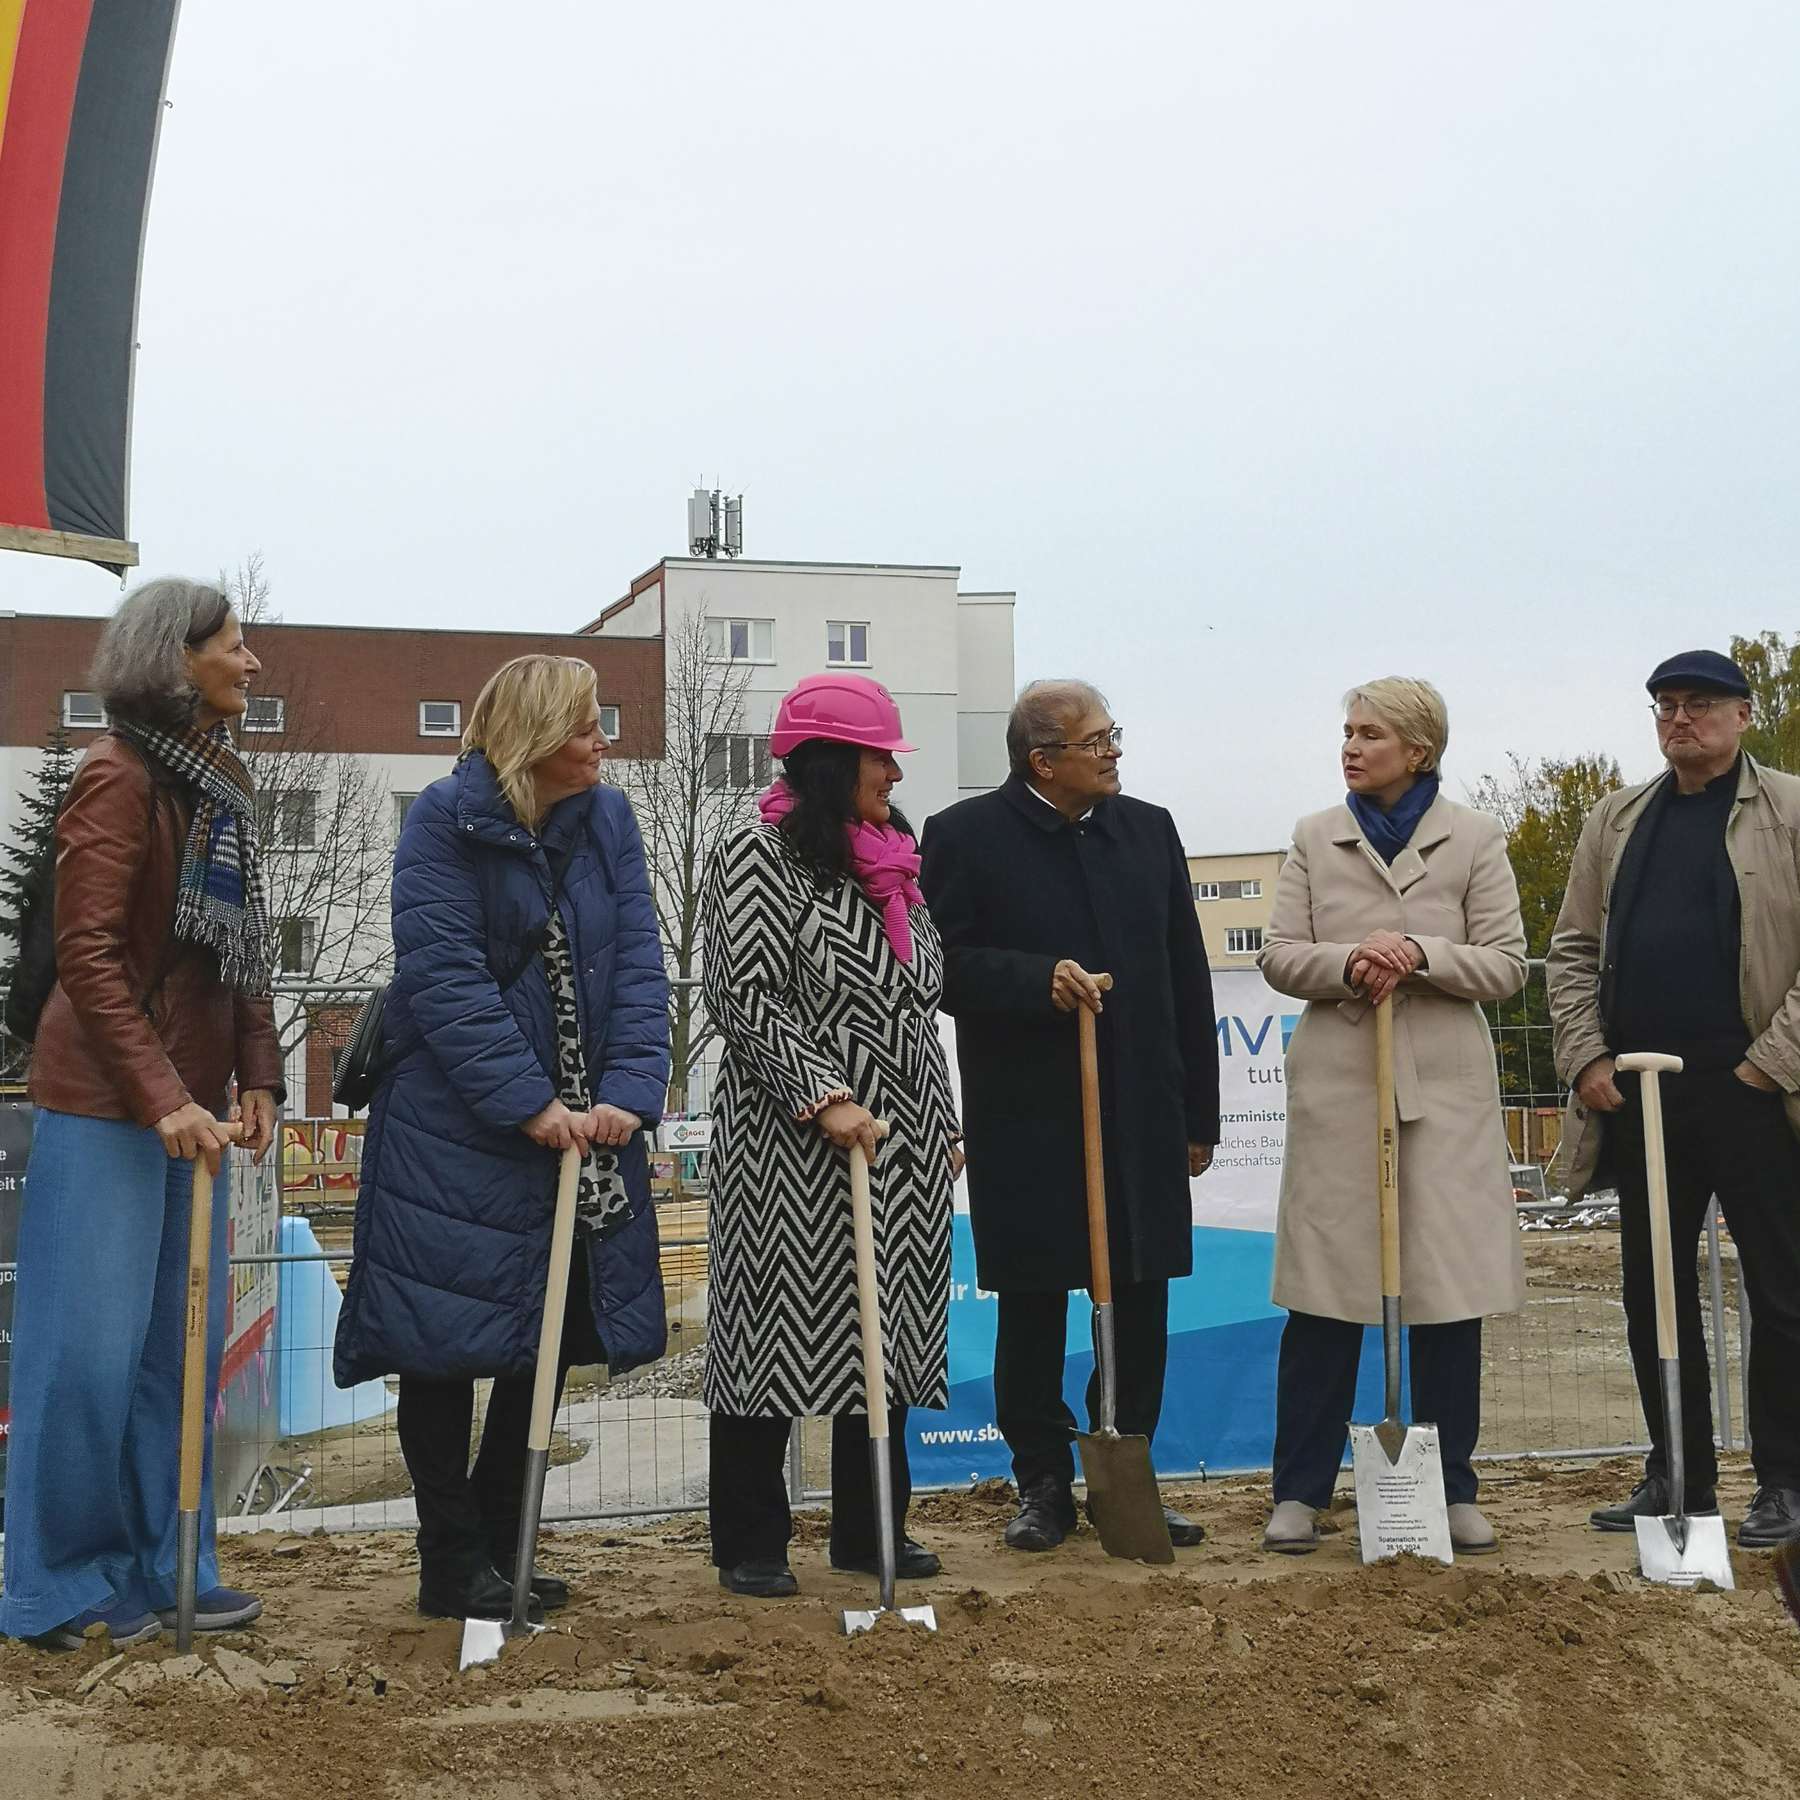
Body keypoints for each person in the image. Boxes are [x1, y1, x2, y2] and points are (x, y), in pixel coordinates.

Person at [333, 655, 670, 1621]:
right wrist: (530, 1102)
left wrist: (632, 1094)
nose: (601, 740)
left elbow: (641, 963)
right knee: (441, 1345)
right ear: (533, 735)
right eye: (584, 725)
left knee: (552, 1335)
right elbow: (442, 978)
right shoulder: (443, 817)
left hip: (579, 1129)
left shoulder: (608, 820)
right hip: (453, 1132)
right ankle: (452, 1558)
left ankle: (502, 1536)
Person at [0, 578, 281, 1651]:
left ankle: (171, 1565)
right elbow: (90, 959)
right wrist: (161, 1096)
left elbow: (241, 948)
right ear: (178, 660)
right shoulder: (115, 778)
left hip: (191, 1113)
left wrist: (256, 1070)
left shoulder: (222, 781)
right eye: (235, 645)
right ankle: (59, 1587)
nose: (251, 663)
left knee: (177, 1357)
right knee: (84, 1358)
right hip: (105, 1106)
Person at [920, 680, 1217, 1553]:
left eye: (1114, 735)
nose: (1115, 751)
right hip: (1030, 1117)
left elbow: (1185, 973)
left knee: (1141, 1299)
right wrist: (1032, 979)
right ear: (1042, 760)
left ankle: (1127, 1473)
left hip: (1142, 1115)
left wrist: (1197, 1111)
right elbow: (939, 965)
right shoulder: (966, 838)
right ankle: (1042, 1481)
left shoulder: (1148, 830)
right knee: (1035, 1304)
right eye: (1098, 740)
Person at [700, 674, 958, 1598]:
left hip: (903, 1135)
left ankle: (870, 1528)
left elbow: (915, 1001)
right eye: (878, 755)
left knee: (884, 1334)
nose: (892, 773)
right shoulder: (756, 855)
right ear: (829, 763)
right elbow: (745, 993)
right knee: (770, 1331)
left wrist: (943, 1120)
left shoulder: (894, 858)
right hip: (788, 1141)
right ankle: (752, 1540)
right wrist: (822, 1093)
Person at [1258, 677, 1526, 1556]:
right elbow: (1282, 956)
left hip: (1444, 1092)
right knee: (1327, 1293)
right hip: (1342, 1085)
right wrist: (1351, 961)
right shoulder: (1313, 837)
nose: (1350, 745)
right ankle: (1299, 1490)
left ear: (1418, 750)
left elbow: (1507, 964)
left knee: (1446, 1292)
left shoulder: (1476, 840)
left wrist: (1421, 953)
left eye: (1370, 733)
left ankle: (1450, 1490)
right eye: (1346, 731)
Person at [1548, 650, 1800, 1551]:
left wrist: (1771, 1065)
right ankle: (1678, 1471)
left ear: (1742, 715)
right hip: (1641, 1097)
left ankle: (1785, 1479)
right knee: (1652, 1291)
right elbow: (1573, 949)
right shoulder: (1617, 821)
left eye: (1698, 704)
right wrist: (1585, 1059)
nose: (1678, 719)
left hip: (1759, 1095)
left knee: (1782, 1290)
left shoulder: (1790, 810)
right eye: (1664, 706)